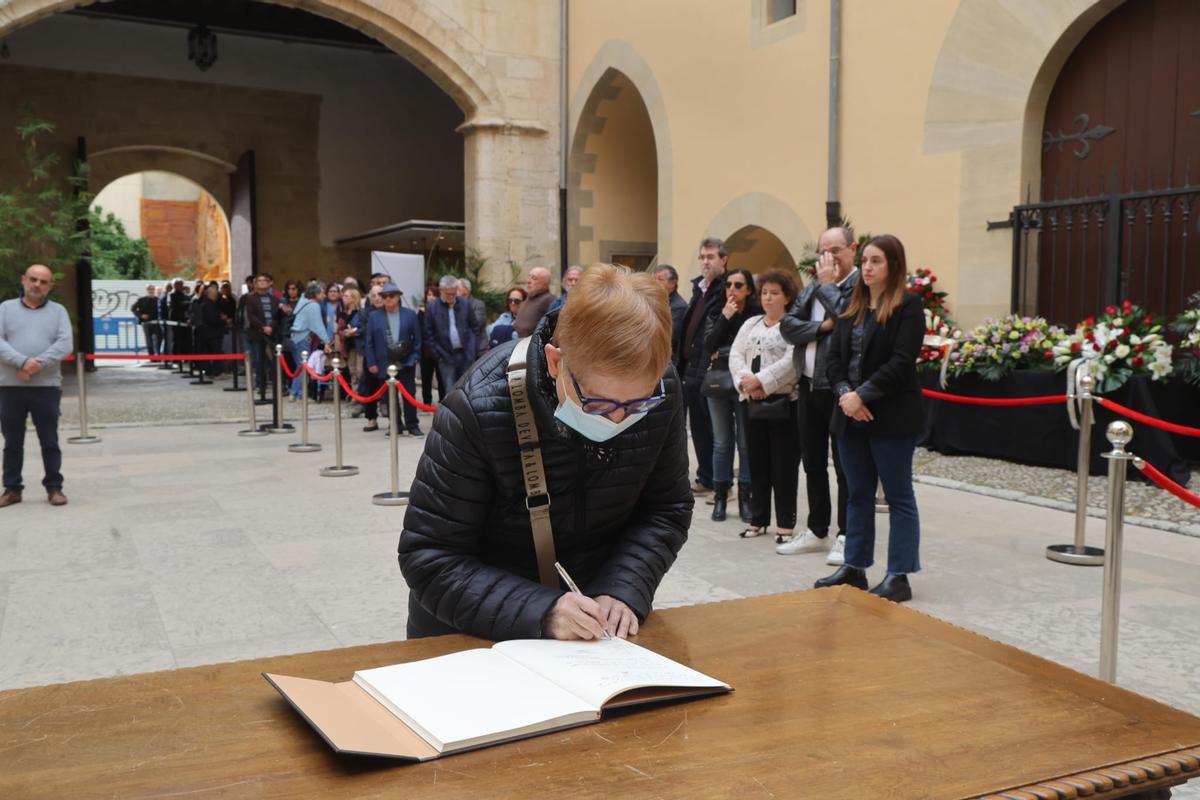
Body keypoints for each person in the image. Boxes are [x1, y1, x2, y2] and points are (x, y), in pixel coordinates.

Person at [399, 263, 691, 641]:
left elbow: (666, 508)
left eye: (636, 406)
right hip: (469, 630)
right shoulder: (477, 406)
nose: (619, 420)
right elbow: (430, 558)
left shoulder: (660, 390)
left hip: (589, 626)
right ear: (556, 362)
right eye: (599, 405)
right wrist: (542, 611)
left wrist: (622, 586)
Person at [815, 234, 924, 603]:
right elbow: (833, 361)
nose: (868, 267)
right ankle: (855, 566)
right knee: (857, 494)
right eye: (865, 261)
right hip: (850, 415)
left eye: (876, 261)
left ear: (893, 266)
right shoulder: (852, 306)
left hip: (890, 416)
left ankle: (899, 575)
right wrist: (847, 394)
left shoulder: (908, 306)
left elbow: (901, 361)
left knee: (898, 495)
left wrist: (863, 394)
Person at [777, 227, 860, 561]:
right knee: (812, 462)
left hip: (839, 389)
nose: (828, 259)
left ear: (853, 249)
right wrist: (821, 328)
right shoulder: (813, 288)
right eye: (823, 252)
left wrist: (828, 287)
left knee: (844, 466)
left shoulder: (858, 286)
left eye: (836, 250)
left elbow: (848, 322)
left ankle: (847, 534)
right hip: (808, 384)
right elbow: (788, 326)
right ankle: (817, 528)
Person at [729, 270, 800, 542]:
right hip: (752, 403)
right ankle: (757, 519)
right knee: (755, 462)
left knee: (783, 465)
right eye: (765, 293)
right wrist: (745, 381)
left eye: (775, 293)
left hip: (783, 403)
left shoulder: (792, 325)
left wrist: (761, 381)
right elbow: (736, 354)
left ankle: (785, 524)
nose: (768, 298)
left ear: (787, 297)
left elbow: (793, 362)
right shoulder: (751, 323)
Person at [0, 264, 74, 507]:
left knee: (49, 440)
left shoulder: (58, 311)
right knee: (12, 442)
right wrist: (21, 362)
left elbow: (65, 344)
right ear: (23, 280)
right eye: (33, 279)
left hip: (46, 388)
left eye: (43, 282)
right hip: (10, 387)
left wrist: (35, 365)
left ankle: (54, 487)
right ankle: (12, 489)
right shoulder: (5, 309)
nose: (37, 285)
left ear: (50, 286)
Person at [701, 268, 759, 523]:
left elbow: (752, 350)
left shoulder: (756, 315)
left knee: (746, 443)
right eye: (729, 285)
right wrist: (725, 317)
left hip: (745, 382)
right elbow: (708, 346)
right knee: (722, 442)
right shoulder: (717, 310)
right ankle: (721, 497)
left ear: (749, 289)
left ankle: (746, 498)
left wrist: (724, 352)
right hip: (718, 383)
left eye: (738, 285)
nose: (732, 290)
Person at [676, 238, 728, 495]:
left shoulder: (725, 290)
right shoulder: (700, 289)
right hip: (690, 370)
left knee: (715, 431)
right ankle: (705, 477)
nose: (706, 262)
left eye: (711, 257)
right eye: (703, 257)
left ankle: (721, 483)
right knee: (697, 429)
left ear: (723, 260)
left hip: (709, 370)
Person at [363, 283, 423, 436]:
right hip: (384, 363)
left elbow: (418, 340)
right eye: (384, 296)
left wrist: (414, 358)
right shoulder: (374, 316)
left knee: (409, 394)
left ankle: (412, 424)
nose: (388, 299)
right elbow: (369, 342)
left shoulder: (410, 315)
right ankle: (395, 425)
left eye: (391, 296)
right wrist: (371, 362)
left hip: (406, 362)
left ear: (398, 297)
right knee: (389, 397)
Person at [423, 274, 477, 393]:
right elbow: (429, 335)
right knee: (450, 390)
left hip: (465, 354)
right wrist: (439, 355)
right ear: (441, 290)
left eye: (454, 293)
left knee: (467, 389)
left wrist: (471, 350)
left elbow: (474, 328)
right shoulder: (432, 308)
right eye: (449, 294)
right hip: (445, 356)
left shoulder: (465, 304)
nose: (452, 296)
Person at [288, 281, 333, 400]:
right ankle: (299, 394)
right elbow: (318, 326)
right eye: (322, 293)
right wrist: (327, 341)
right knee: (303, 367)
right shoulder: (314, 305)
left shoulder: (304, 301)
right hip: (303, 338)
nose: (324, 295)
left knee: (300, 367)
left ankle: (294, 393)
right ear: (316, 294)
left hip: (296, 338)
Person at [242, 274, 280, 395]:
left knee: (272, 359)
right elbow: (251, 316)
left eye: (265, 281)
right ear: (255, 284)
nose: (262, 283)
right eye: (260, 281)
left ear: (270, 283)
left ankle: (276, 383)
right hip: (257, 333)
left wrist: (271, 326)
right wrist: (263, 327)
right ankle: (260, 384)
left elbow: (276, 315)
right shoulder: (250, 298)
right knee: (258, 359)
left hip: (271, 332)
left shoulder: (274, 299)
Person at [654, 264, 688, 360]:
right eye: (654, 279)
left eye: (660, 279)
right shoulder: (658, 301)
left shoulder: (679, 307)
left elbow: (670, 336)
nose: (655, 283)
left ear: (673, 283)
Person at [513, 266, 556, 337]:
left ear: (545, 283)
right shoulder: (531, 296)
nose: (529, 281)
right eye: (529, 277)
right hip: (519, 339)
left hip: (531, 342)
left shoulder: (549, 299)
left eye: (534, 278)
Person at [416, 286, 441, 407]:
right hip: (425, 350)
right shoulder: (421, 311)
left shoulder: (442, 310)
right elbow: (419, 330)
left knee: (441, 377)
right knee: (426, 377)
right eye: (429, 294)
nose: (430, 297)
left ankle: (443, 400)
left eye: (433, 295)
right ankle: (426, 402)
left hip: (439, 349)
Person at [195, 283, 226, 376]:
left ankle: (210, 370)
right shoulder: (209, 304)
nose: (217, 295)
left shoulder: (207, 303)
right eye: (215, 293)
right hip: (213, 333)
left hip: (207, 332)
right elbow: (212, 319)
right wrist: (223, 320)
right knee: (215, 351)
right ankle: (216, 371)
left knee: (209, 351)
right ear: (211, 294)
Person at [457, 278, 488, 353]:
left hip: (477, 349)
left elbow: (476, 324)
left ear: (466, 289)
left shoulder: (478, 304)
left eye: (457, 287)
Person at [132, 285, 160, 357]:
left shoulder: (158, 299)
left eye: (152, 289)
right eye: (149, 289)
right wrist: (141, 315)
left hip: (156, 322)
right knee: (149, 341)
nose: (151, 291)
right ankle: (152, 356)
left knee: (158, 339)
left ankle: (158, 355)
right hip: (146, 323)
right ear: (147, 290)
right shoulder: (142, 300)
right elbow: (133, 308)